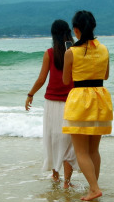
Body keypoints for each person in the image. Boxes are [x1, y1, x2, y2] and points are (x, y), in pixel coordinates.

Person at [62, 10, 112, 201]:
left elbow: (66, 80)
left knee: (81, 151)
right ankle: (94, 187)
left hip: (81, 100)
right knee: (93, 150)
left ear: (76, 29)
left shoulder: (71, 52)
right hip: (100, 98)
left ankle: (94, 188)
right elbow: (106, 76)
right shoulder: (104, 49)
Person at [25, 20, 78, 186]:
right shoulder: (75, 51)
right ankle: (67, 182)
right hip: (72, 101)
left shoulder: (49, 52)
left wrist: (30, 94)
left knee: (54, 139)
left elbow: (42, 79)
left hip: (52, 102)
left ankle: (55, 175)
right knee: (69, 141)